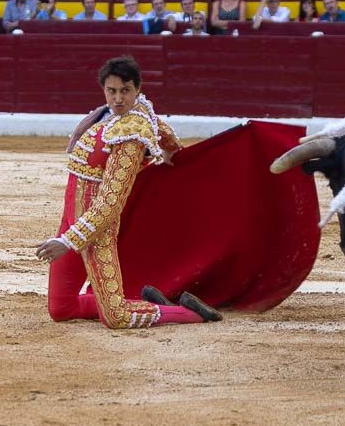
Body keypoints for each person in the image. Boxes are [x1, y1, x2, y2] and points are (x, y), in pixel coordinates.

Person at [38, 57, 221, 329]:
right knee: (61, 309)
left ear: (137, 89)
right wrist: (171, 149)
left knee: (116, 318)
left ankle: (190, 313)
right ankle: (154, 305)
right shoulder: (129, 114)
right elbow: (159, 126)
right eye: (111, 91)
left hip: (95, 232)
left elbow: (111, 203)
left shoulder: (132, 137)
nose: (118, 98)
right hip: (72, 222)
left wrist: (68, 241)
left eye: (125, 91)